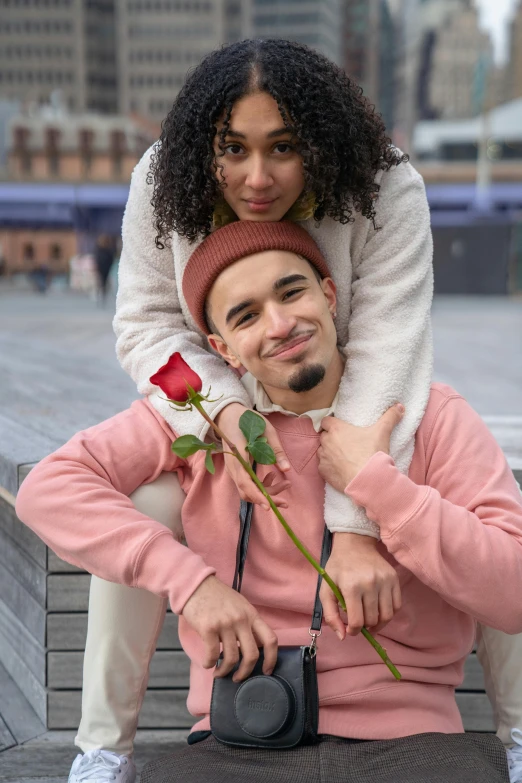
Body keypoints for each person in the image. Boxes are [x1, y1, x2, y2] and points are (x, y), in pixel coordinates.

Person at [16, 221, 522, 782]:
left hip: (414, 740)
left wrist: (381, 491)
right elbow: (47, 489)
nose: (281, 325)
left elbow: (514, 592)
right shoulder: (202, 421)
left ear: (330, 296)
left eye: (292, 292)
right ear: (222, 349)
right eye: (247, 316)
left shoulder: (431, 417)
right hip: (239, 736)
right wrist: (192, 586)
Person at [94, 234, 115, 303]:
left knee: (103, 282)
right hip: (102, 268)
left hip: (105, 268)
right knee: (101, 282)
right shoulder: (99, 249)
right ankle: (100, 295)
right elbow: (97, 259)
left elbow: (110, 259)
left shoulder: (107, 250)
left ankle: (102, 295)